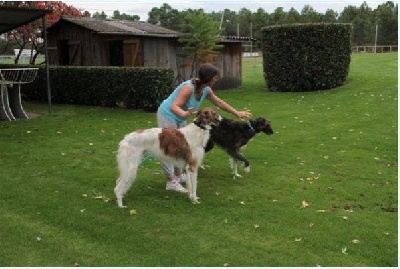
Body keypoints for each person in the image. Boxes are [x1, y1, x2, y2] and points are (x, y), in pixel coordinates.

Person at [157, 63, 252, 192]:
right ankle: (171, 181)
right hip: (167, 115)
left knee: (182, 147)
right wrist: (184, 114)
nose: (216, 79)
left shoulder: (206, 89)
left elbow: (218, 102)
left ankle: (179, 176)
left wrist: (237, 113)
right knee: (168, 148)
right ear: (209, 78)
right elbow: (174, 106)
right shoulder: (188, 88)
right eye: (215, 77)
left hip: (180, 118)